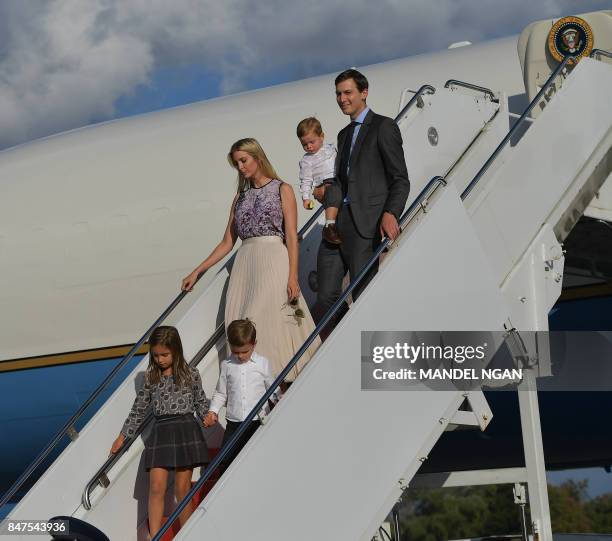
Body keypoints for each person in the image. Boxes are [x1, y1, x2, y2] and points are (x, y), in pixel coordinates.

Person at [181, 137, 319, 383]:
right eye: (237, 164)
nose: (241, 167)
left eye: (244, 160)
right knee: (238, 322)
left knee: (259, 319)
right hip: (245, 263)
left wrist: (292, 275)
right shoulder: (240, 197)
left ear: (257, 157)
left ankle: (275, 378)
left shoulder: (282, 189)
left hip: (273, 258)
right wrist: (198, 271)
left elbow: (290, 235)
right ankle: (252, 386)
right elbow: (227, 242)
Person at [313, 69, 410, 329]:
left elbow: (400, 178)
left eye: (348, 93)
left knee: (364, 293)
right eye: (338, 94)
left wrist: (391, 212)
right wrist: (324, 192)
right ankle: (349, 333)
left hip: (366, 225)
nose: (342, 99)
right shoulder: (343, 136)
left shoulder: (384, 126)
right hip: (337, 226)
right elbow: (342, 183)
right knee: (325, 295)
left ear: (364, 93)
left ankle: (365, 346)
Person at [110, 326, 209, 537]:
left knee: (181, 490)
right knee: (156, 488)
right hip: (161, 432)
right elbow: (138, 409)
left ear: (176, 350)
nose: (160, 360)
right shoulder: (150, 378)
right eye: (155, 356)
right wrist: (122, 436)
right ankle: (155, 536)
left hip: (185, 430)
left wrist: (207, 416)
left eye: (165, 355)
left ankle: (189, 534)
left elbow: (201, 403)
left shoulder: (191, 374)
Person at [204, 319, 279, 470]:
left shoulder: (262, 363)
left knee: (258, 459)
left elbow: (273, 389)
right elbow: (221, 392)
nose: (240, 356)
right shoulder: (226, 365)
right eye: (235, 351)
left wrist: (279, 400)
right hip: (234, 423)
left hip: (258, 421)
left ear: (254, 344)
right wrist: (213, 411)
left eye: (245, 351)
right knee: (225, 460)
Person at [296, 117, 343, 244]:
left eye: (312, 142)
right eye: (304, 144)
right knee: (333, 191)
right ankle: (329, 226)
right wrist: (305, 198)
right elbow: (305, 180)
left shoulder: (331, 149)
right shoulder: (307, 161)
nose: (309, 146)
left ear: (321, 136)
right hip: (326, 183)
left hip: (339, 179)